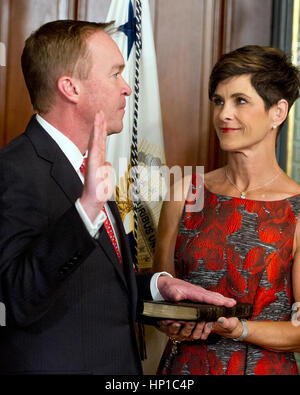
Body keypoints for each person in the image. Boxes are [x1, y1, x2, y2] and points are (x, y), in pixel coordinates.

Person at [0, 19, 235, 375]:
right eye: (114, 74)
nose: (126, 88)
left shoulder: (87, 164)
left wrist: (159, 287)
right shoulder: (12, 169)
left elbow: (96, 287)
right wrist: (86, 209)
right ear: (70, 87)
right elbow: (16, 297)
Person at [154, 45, 300, 375]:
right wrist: (169, 322)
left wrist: (238, 330)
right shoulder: (185, 192)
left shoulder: (297, 210)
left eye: (240, 101)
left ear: (278, 112)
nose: (223, 115)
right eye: (218, 101)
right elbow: (160, 294)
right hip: (184, 370)